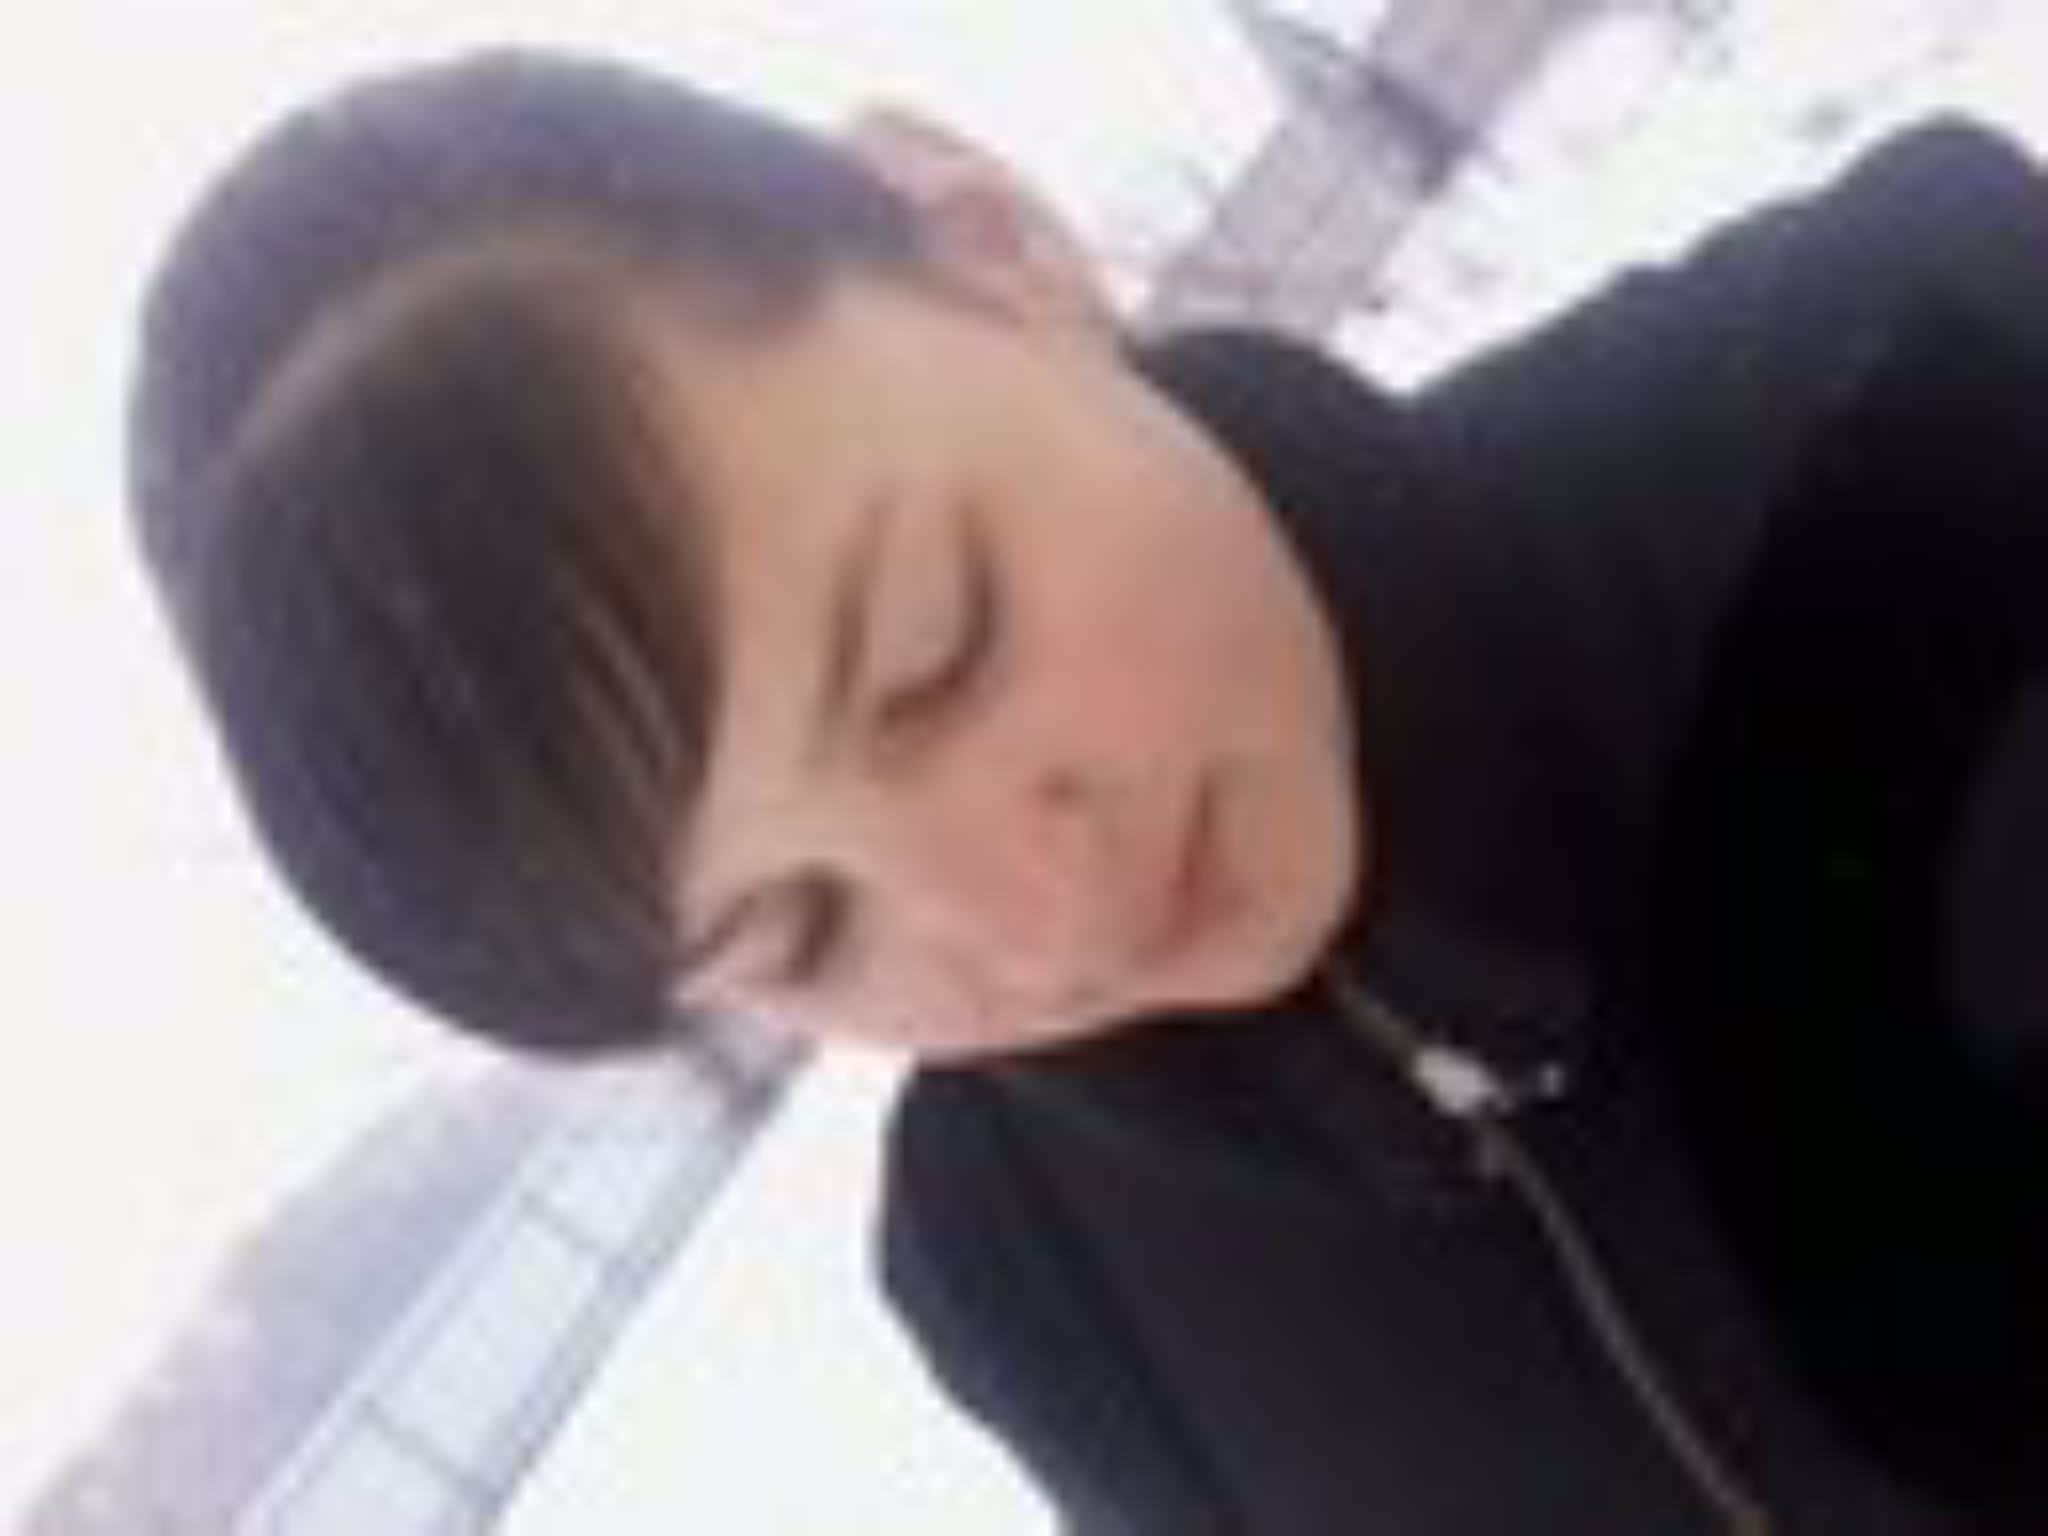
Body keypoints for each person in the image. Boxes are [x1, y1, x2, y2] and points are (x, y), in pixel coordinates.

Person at [125, 46, 2048, 1534]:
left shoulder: (1925, 376)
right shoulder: (1041, 1273)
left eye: (934, 651)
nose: (1045, 928)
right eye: (802, 931)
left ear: (988, 242)